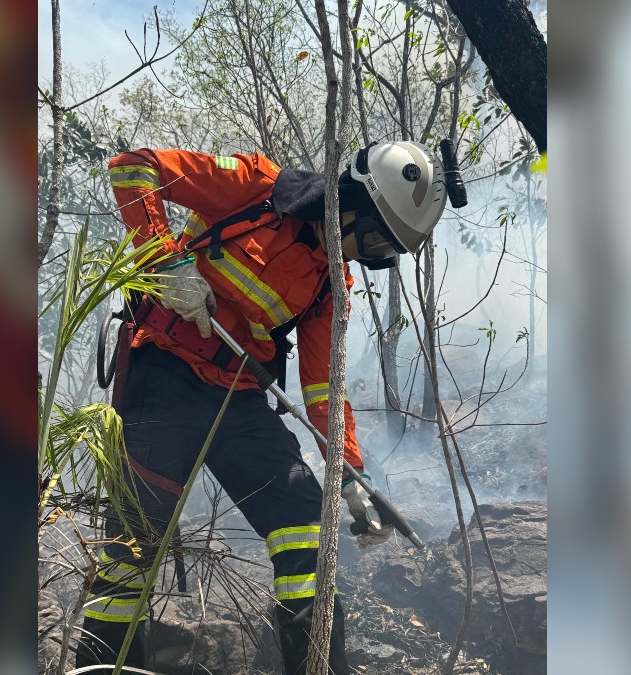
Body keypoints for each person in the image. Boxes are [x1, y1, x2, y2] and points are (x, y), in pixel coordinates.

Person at [77, 142, 448, 673]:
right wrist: (166, 264)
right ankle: (99, 666)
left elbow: (323, 390)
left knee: (302, 519)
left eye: (384, 252)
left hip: (237, 397)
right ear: (351, 202)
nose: (370, 257)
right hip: (162, 369)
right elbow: (134, 167)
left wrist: (350, 475)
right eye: (372, 239)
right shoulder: (258, 189)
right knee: (136, 538)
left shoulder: (330, 285)